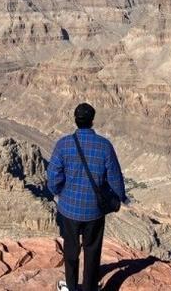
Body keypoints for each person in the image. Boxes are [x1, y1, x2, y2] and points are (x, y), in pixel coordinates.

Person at [47, 103, 127, 291]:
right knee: (92, 251)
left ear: (75, 120)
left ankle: (72, 287)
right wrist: (119, 198)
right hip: (94, 211)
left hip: (68, 210)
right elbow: (115, 177)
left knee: (71, 250)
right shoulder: (104, 146)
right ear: (92, 121)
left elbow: (53, 176)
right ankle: (90, 288)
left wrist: (59, 192)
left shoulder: (63, 144)